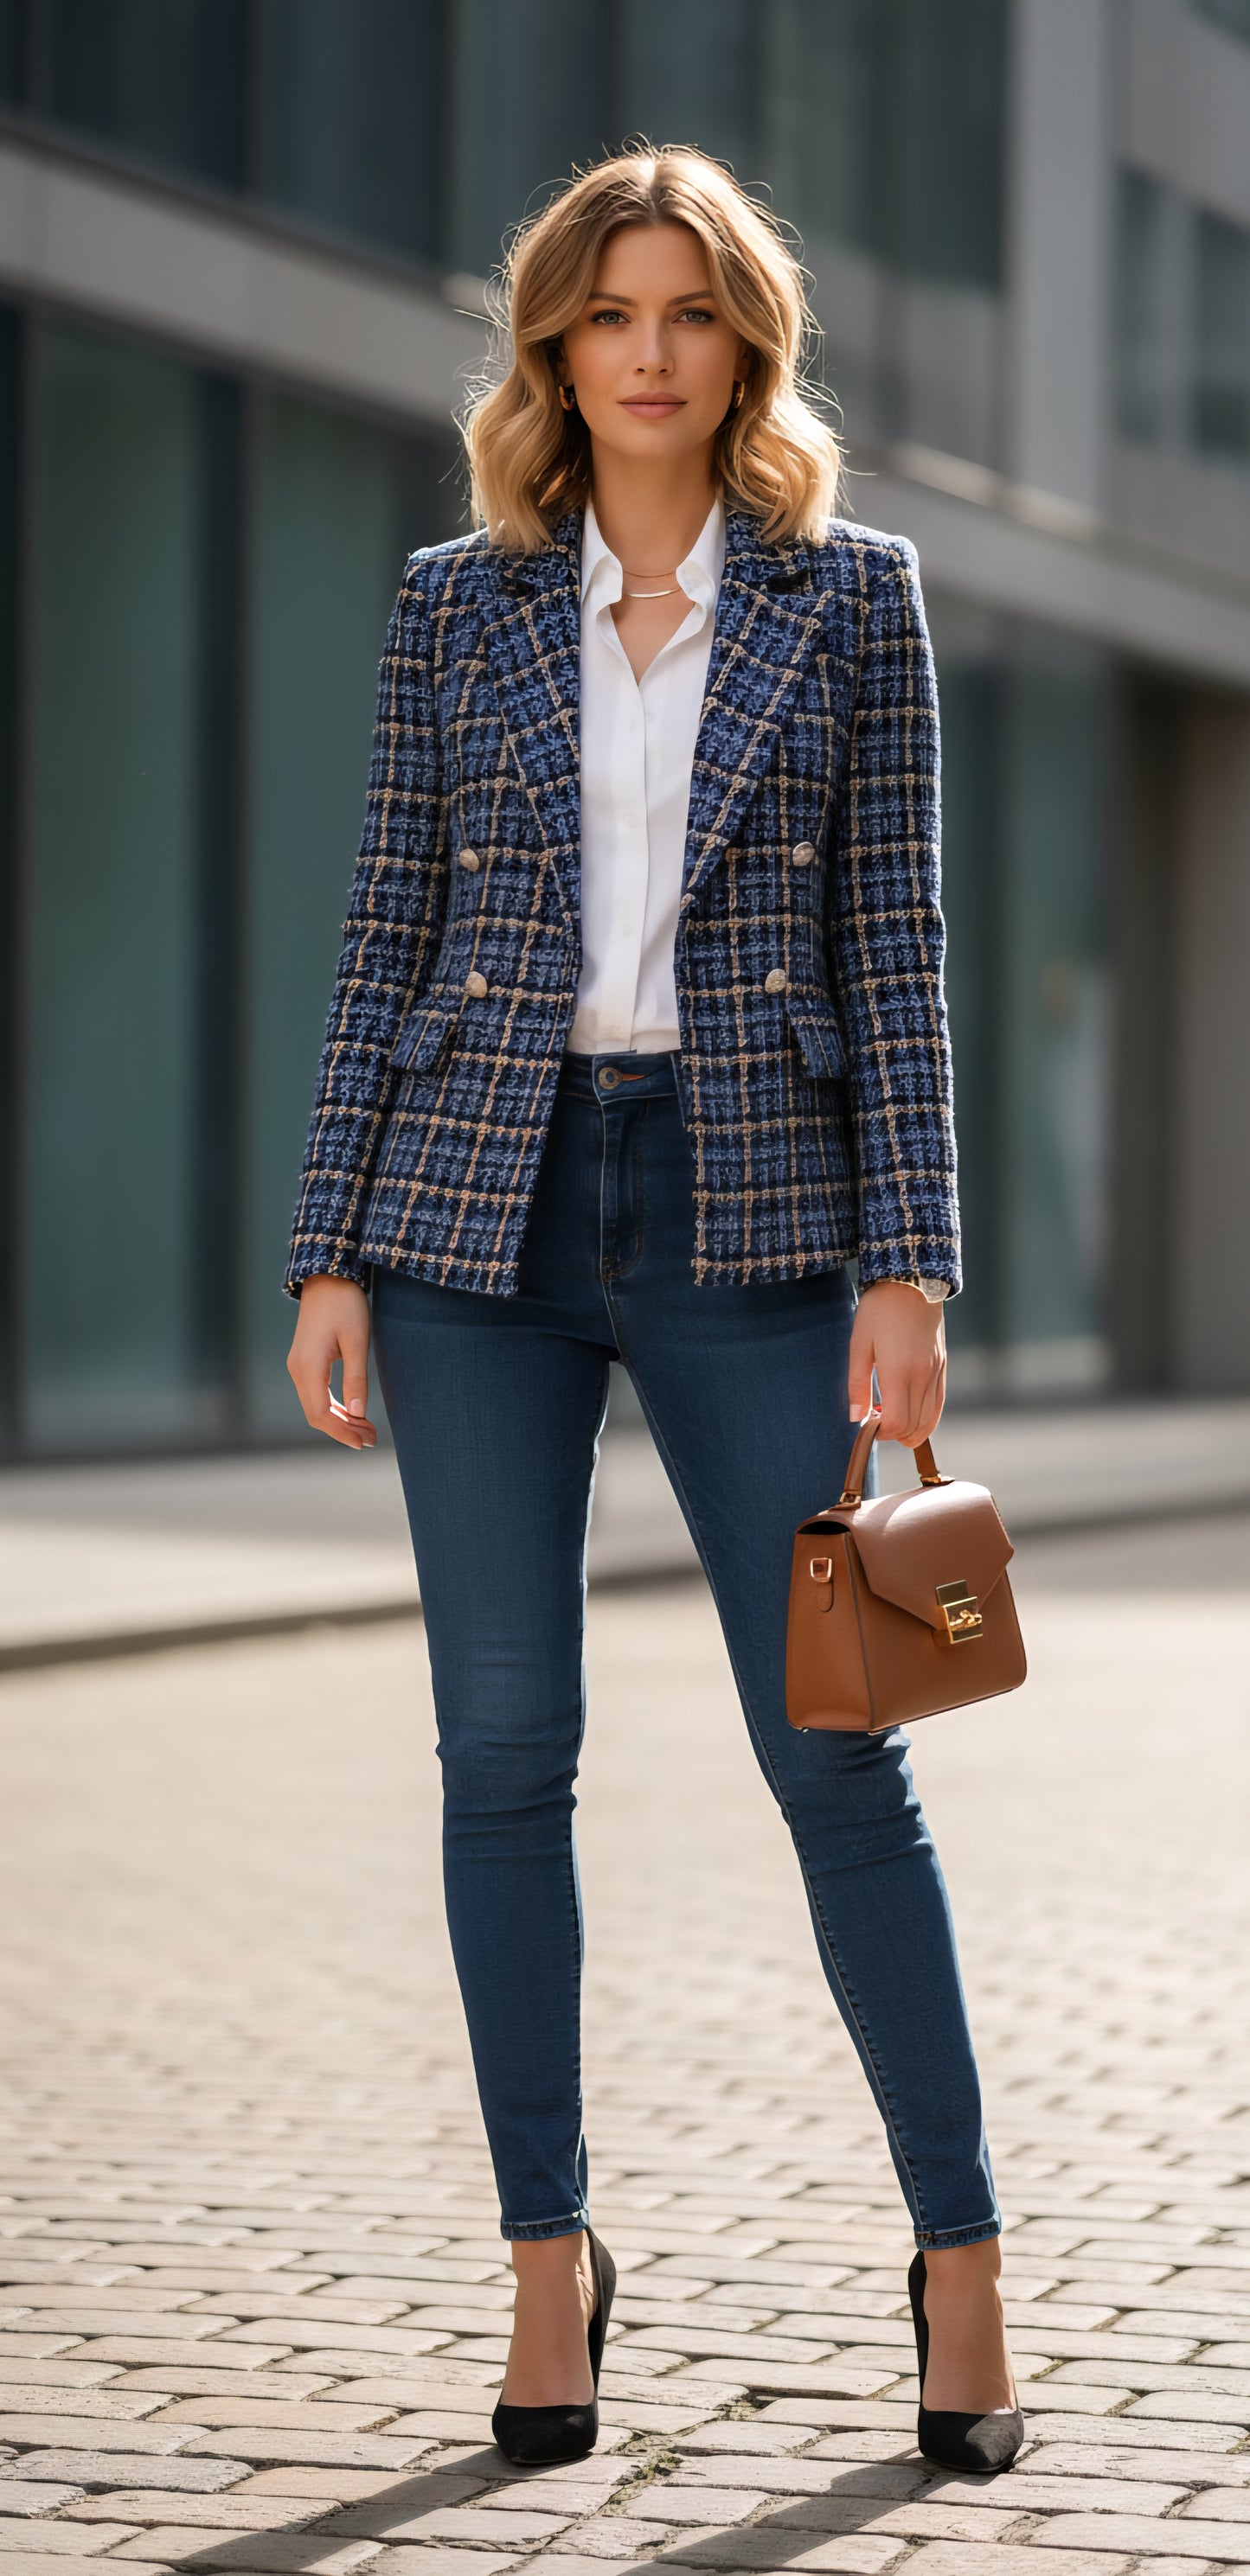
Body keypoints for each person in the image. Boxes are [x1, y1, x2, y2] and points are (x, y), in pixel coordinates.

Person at [285, 145, 1021, 2478]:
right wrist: (328, 1244)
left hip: (759, 1215)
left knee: (838, 1750)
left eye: (690, 312)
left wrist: (912, 1264)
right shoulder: (451, 605)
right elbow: (383, 919)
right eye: (609, 313)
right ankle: (542, 2264)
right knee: (502, 1754)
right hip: (477, 1219)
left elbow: (895, 950)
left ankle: (963, 2260)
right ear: (552, 349)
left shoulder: (852, 597)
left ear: (744, 350)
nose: (647, 350)